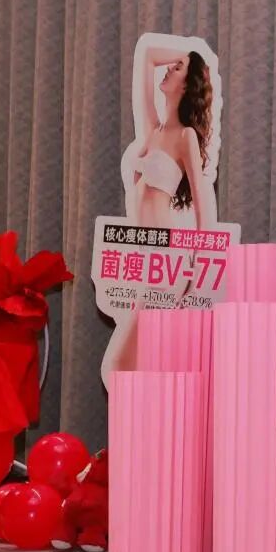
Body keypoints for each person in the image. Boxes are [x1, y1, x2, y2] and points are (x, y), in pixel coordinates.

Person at [101, 35, 218, 386]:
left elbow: (202, 205)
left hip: (167, 259)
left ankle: (158, 412)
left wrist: (196, 268)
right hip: (147, 257)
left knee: (122, 366)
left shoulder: (185, 137)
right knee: (137, 365)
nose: (168, 69)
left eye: (178, 68)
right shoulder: (155, 128)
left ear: (188, 84)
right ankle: (157, 414)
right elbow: (149, 55)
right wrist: (185, 57)